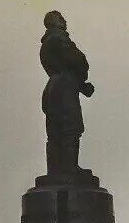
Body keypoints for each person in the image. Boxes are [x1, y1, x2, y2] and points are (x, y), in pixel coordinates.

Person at [40, 11, 95, 176]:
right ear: (53, 22)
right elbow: (77, 60)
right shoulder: (58, 38)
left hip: (55, 87)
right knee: (70, 127)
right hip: (64, 88)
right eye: (60, 18)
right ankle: (69, 168)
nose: (64, 21)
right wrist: (82, 73)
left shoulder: (48, 43)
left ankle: (56, 170)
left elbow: (64, 66)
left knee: (56, 131)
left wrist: (82, 86)